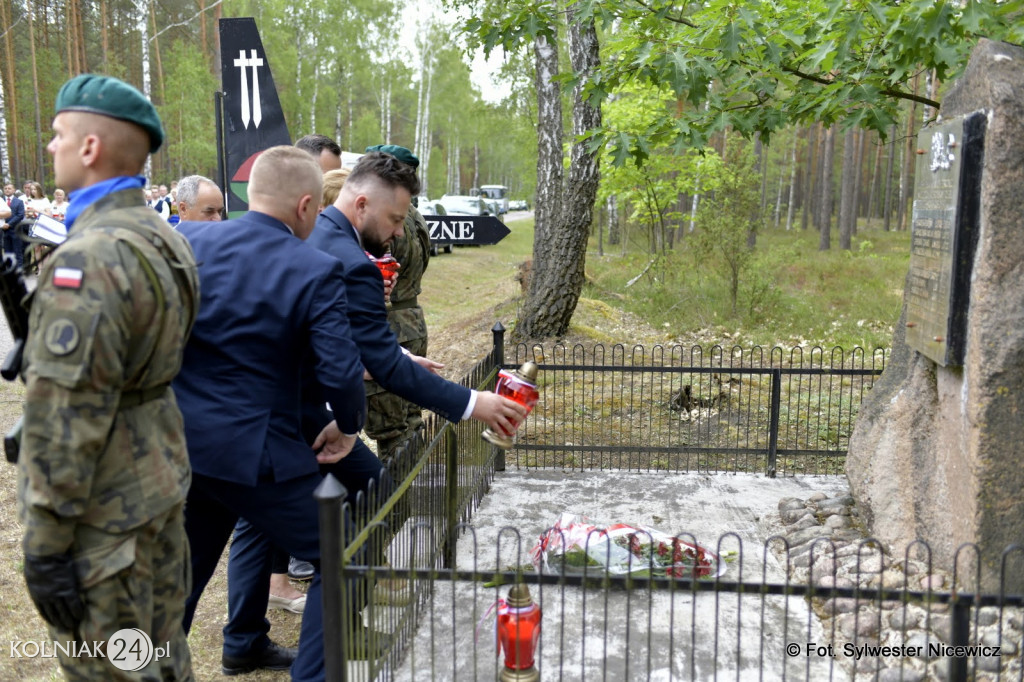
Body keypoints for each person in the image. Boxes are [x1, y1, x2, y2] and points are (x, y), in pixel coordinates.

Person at [18, 73, 198, 680]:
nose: (50, 148)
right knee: (162, 656)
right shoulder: (162, 237)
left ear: (89, 148)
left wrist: (44, 545)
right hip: (157, 482)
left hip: (106, 513)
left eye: (58, 135)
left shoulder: (89, 258)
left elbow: (66, 417)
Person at [174, 145, 368, 679]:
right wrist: (349, 425)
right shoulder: (315, 267)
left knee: (175, 583)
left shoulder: (187, 238)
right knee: (343, 549)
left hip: (181, 443)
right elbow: (340, 371)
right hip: (256, 455)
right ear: (307, 205)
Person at [361, 144, 433, 462]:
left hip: (390, 327)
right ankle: (413, 498)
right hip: (412, 324)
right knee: (409, 421)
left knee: (392, 431)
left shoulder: (389, 222)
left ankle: (395, 508)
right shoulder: (414, 219)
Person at [2, 182, 25, 267]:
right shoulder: (1, 201)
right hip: (3, 231)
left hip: (15, 230)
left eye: (9, 188)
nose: (7, 190)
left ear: (14, 190)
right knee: (7, 252)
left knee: (17, 252)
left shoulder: (19, 202)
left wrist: (9, 224)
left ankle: (18, 272)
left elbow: (20, 215)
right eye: (6, 188)